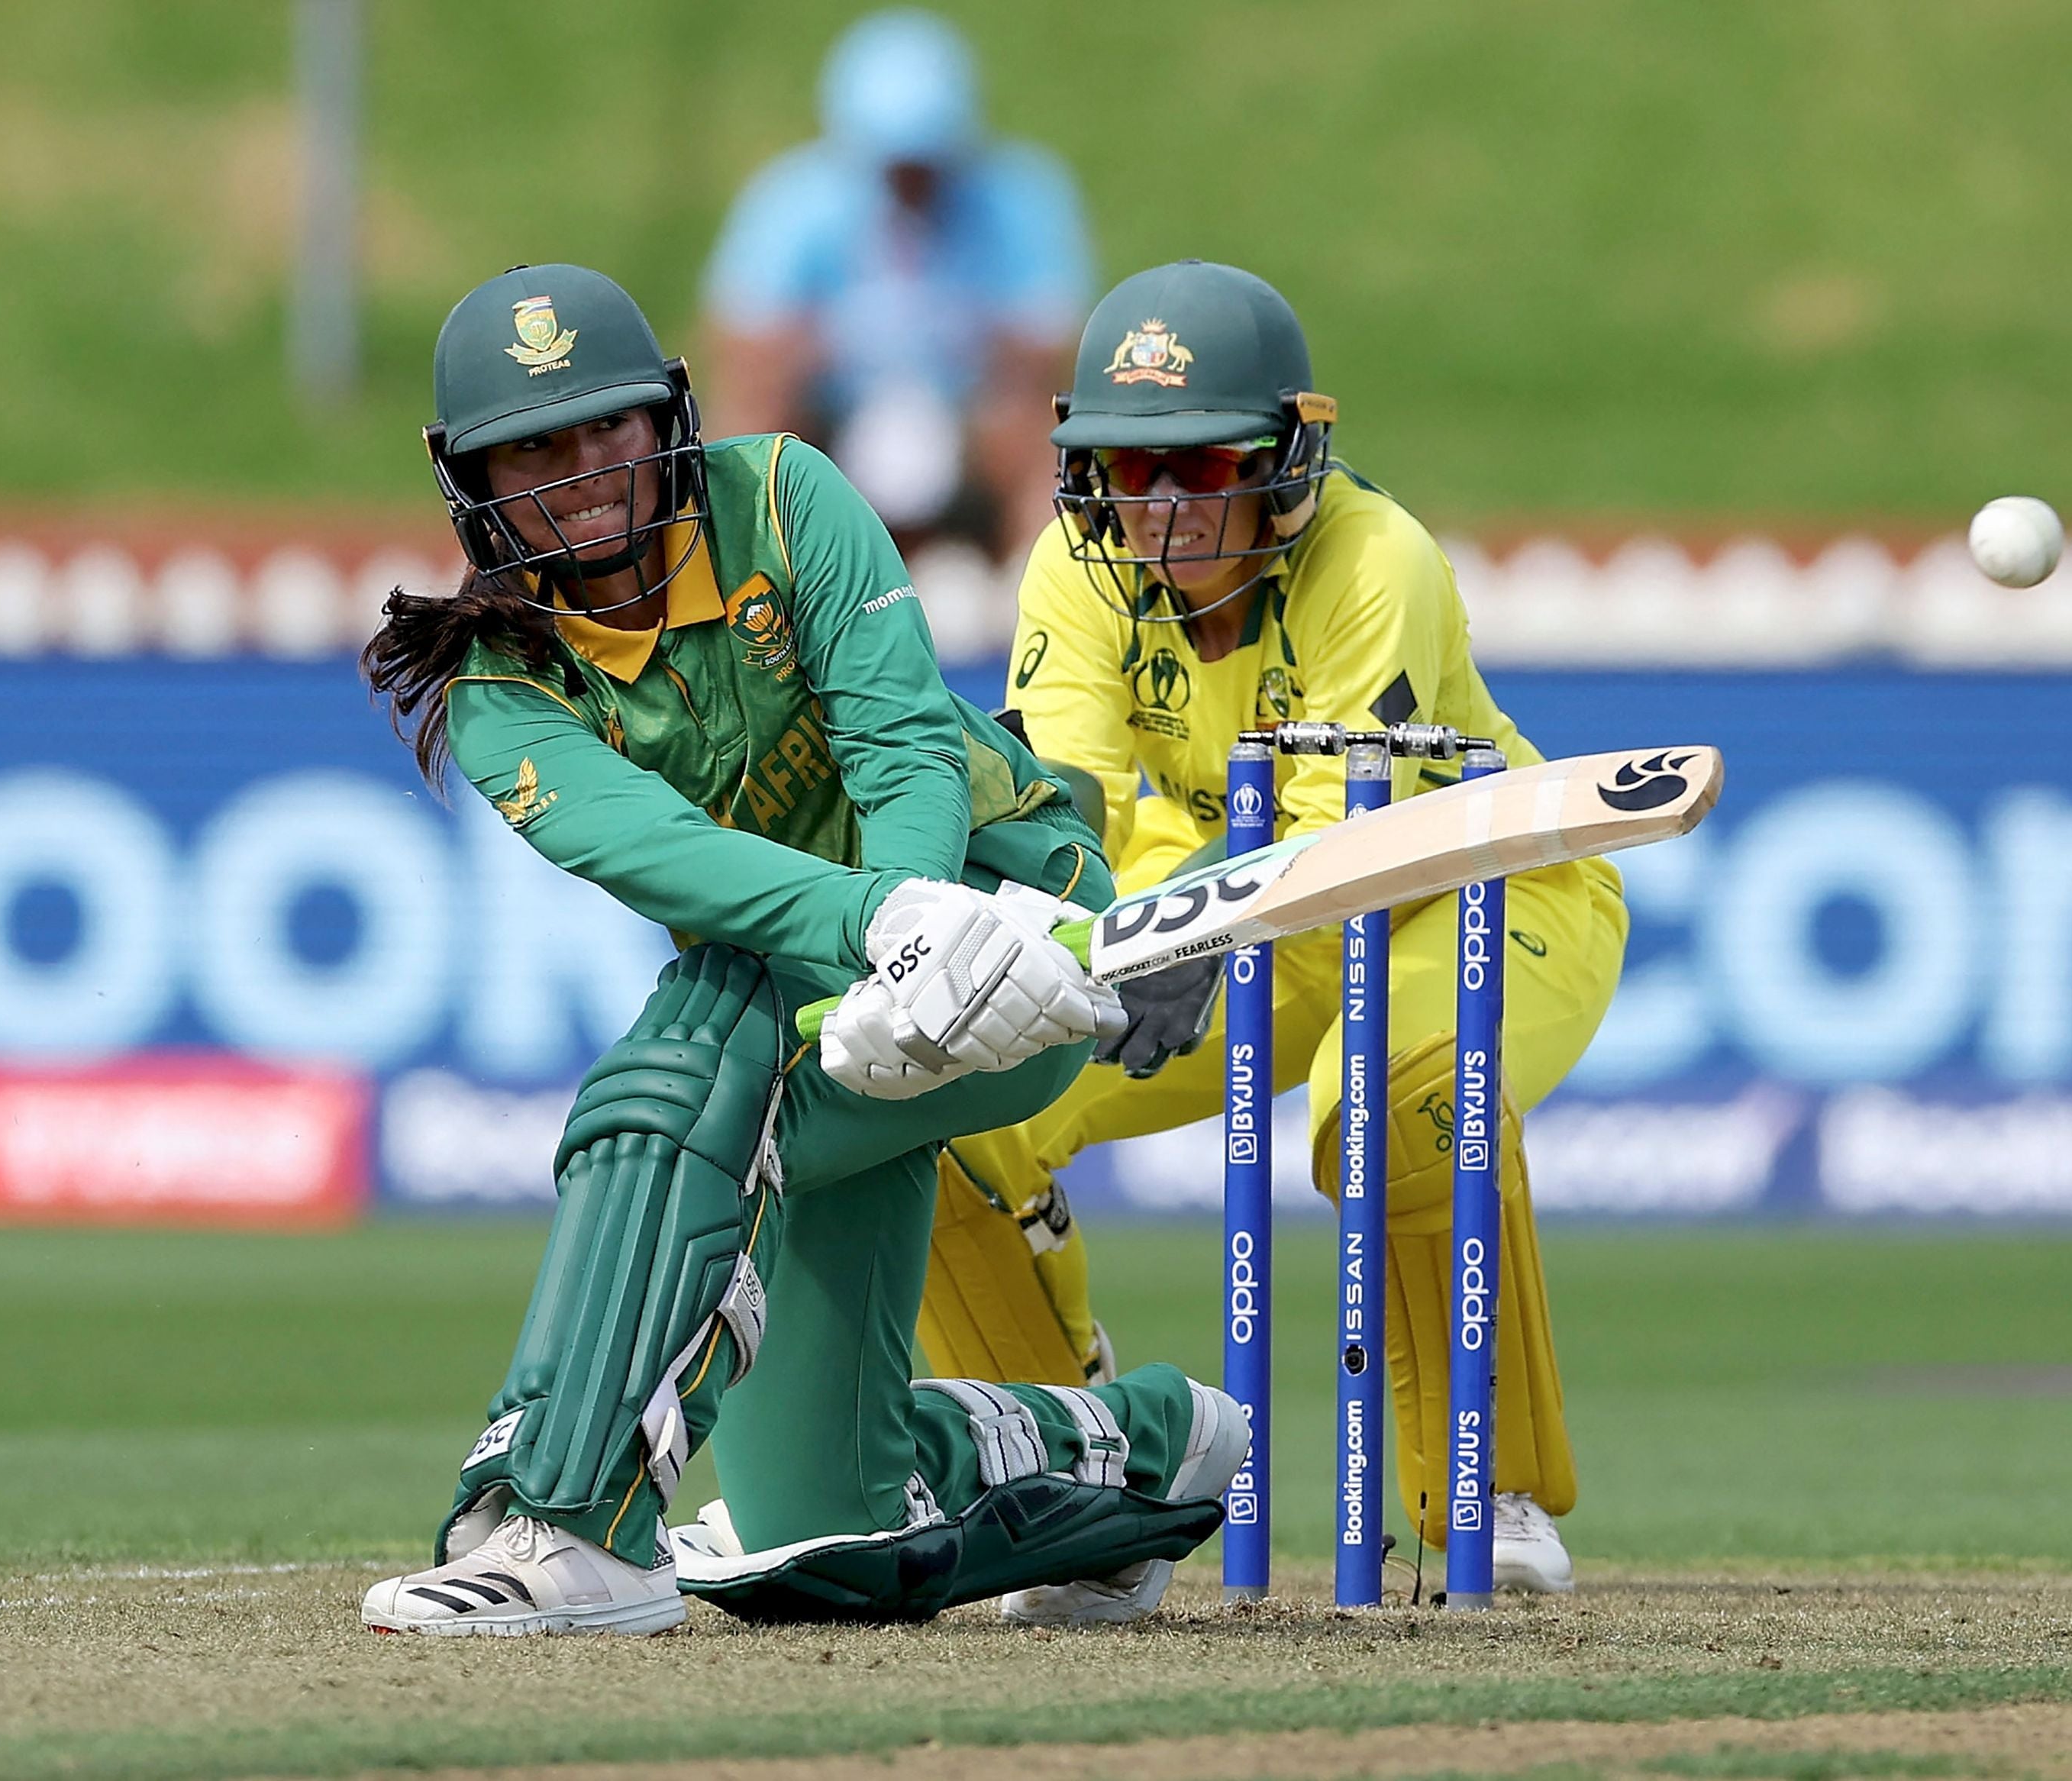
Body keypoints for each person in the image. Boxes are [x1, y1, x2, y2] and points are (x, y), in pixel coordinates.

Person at [354, 263, 1244, 1634]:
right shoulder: (495, 688)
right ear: (464, 472)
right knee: (822, 1535)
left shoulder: (783, 496)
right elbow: (670, 852)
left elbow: (901, 741)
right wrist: (875, 937)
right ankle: (1141, 1448)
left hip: (1013, 929)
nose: (583, 469)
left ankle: (568, 1516)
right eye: (534, 446)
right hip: (834, 984)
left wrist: (914, 928)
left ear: (669, 419)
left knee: (687, 1059)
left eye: (608, 428)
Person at [919, 260, 1629, 1594]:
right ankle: (1070, 1486)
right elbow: (1063, 792)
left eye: (1206, 465)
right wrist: (1064, 932)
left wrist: (1200, 929)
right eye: (1133, 473)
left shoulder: (1378, 561)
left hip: (1470, 890)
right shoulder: (1080, 560)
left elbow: (1338, 841)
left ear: (1287, 451)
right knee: (953, 1112)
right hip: (1216, 887)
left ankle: (1489, 1487)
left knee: (1393, 1102)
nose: (1169, 507)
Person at [699, 9, 1089, 560]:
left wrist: (961, 346)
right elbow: (741, 343)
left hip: (968, 409)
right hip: (834, 412)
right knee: (749, 419)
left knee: (1040, 424)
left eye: (925, 159)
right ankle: (740, 574)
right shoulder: (791, 201)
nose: (911, 178)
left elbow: (1049, 347)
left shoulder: (1019, 197)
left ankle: (1037, 583)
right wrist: (828, 349)